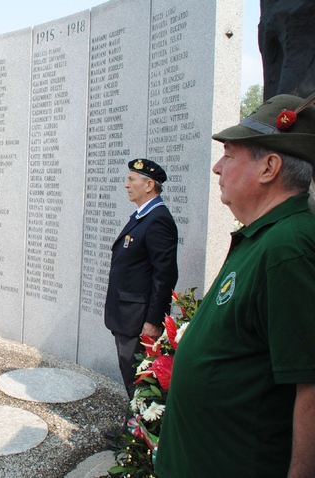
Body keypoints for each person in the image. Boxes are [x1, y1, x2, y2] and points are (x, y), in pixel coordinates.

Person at [156, 94, 315, 478]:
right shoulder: (264, 237)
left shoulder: (288, 247)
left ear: (269, 167)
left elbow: (309, 386)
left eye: (229, 154)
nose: (216, 167)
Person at [104, 158, 178, 438]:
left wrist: (153, 321)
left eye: (132, 180)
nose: (126, 184)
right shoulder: (143, 216)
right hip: (126, 315)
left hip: (138, 320)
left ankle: (136, 437)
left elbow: (165, 275)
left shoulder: (158, 219)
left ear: (149, 185)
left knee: (138, 379)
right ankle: (134, 432)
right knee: (132, 377)